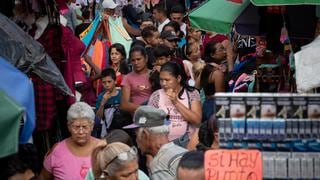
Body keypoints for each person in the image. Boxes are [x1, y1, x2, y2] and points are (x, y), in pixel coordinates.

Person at [40, 102, 106, 179]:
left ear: (92, 126)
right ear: (69, 127)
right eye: (76, 127)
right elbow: (43, 177)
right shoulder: (57, 150)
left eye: (85, 127)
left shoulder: (102, 147)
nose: (81, 132)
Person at [123, 106, 187, 180]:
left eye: (136, 135)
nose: (136, 141)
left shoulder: (159, 165)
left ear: (145, 134)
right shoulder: (183, 151)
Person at [148, 61, 202, 146]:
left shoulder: (191, 93)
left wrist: (175, 102)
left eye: (167, 80)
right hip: (164, 143)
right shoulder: (156, 95)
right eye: (161, 80)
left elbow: (197, 120)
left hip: (188, 142)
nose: (164, 84)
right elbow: (150, 123)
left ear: (178, 78)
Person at [199, 41, 226, 122]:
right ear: (212, 54)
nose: (225, 52)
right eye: (221, 50)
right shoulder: (218, 73)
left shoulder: (206, 68)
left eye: (224, 49)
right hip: (214, 107)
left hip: (206, 106)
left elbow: (196, 86)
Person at [120, 46, 152, 114]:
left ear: (146, 58)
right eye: (133, 60)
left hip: (156, 113)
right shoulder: (127, 78)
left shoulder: (154, 75)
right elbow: (124, 105)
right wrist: (146, 109)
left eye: (139, 59)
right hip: (138, 115)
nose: (136, 63)